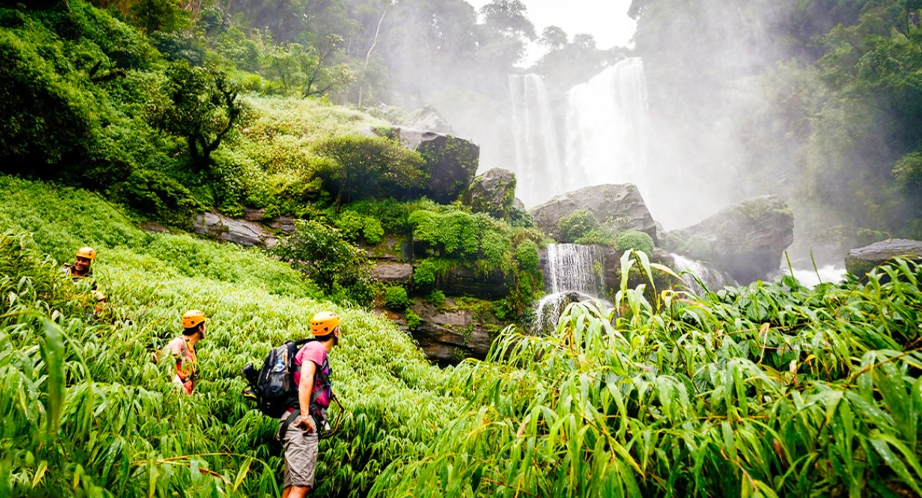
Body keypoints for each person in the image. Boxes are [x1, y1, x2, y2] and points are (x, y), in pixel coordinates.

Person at [278, 311, 341, 498]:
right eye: (338, 328)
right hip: (300, 422)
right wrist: (305, 416)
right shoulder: (316, 348)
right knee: (301, 487)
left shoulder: (310, 347)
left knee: (292, 487)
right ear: (334, 331)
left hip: (292, 419)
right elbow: (306, 377)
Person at [167, 310, 207, 395]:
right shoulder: (178, 343)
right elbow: (166, 366)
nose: (205, 329)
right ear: (200, 328)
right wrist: (179, 387)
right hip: (176, 395)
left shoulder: (191, 347)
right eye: (204, 325)